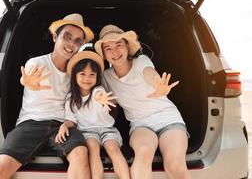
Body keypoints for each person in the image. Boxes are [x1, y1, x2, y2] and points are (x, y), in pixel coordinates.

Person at [0, 13, 93, 179]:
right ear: (55, 37)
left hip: (62, 125)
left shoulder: (76, 73)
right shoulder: (37, 63)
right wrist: (26, 82)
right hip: (30, 124)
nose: (72, 44)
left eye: (78, 41)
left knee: (80, 153)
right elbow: (28, 78)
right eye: (67, 37)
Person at [94, 24, 191, 179]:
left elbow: (149, 73)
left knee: (175, 165)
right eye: (108, 48)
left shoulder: (141, 61)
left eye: (119, 45)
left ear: (127, 47)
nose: (115, 52)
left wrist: (159, 85)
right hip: (140, 124)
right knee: (144, 151)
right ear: (104, 55)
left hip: (168, 119)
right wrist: (98, 98)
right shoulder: (106, 76)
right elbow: (98, 94)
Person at [55, 50, 130, 179]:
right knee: (93, 149)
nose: (87, 78)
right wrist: (64, 126)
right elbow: (71, 120)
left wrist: (101, 99)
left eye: (92, 74)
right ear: (74, 76)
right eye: (82, 74)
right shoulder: (71, 98)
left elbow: (99, 96)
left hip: (108, 129)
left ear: (97, 77)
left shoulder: (98, 90)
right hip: (87, 131)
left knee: (114, 149)